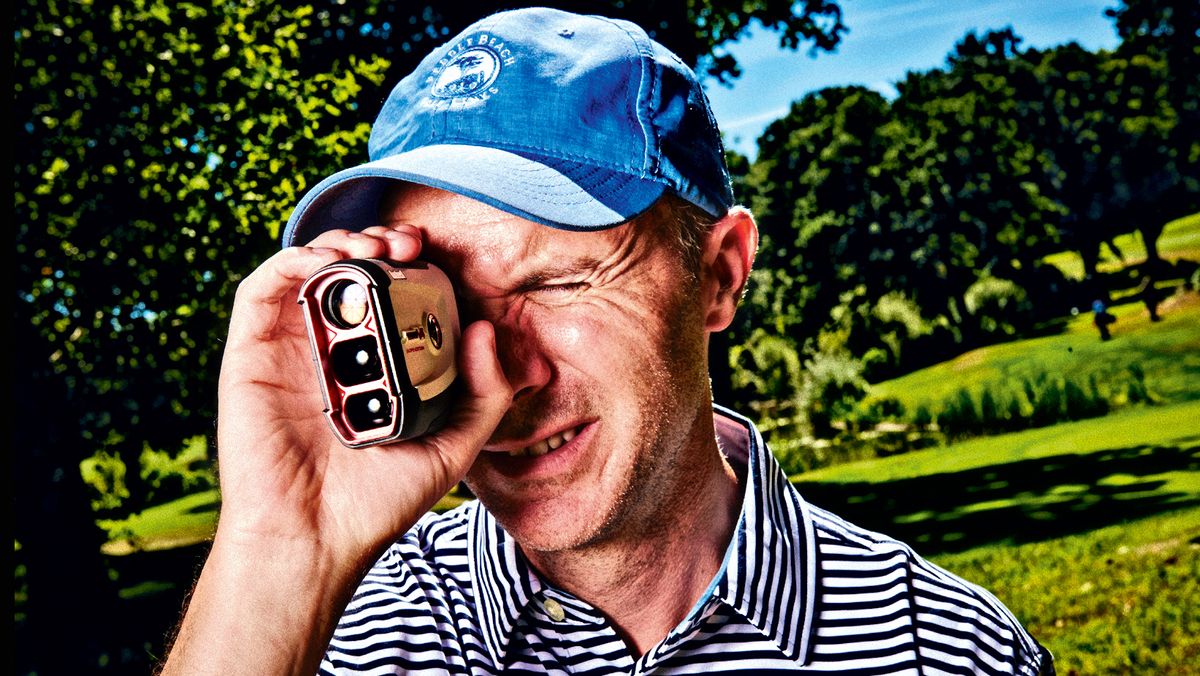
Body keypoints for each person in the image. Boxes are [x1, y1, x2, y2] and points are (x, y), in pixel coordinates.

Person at [162, 8, 1054, 675]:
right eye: (444, 308)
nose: (504, 376)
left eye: (554, 282)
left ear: (720, 275)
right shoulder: (332, 637)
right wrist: (280, 550)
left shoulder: (943, 649)